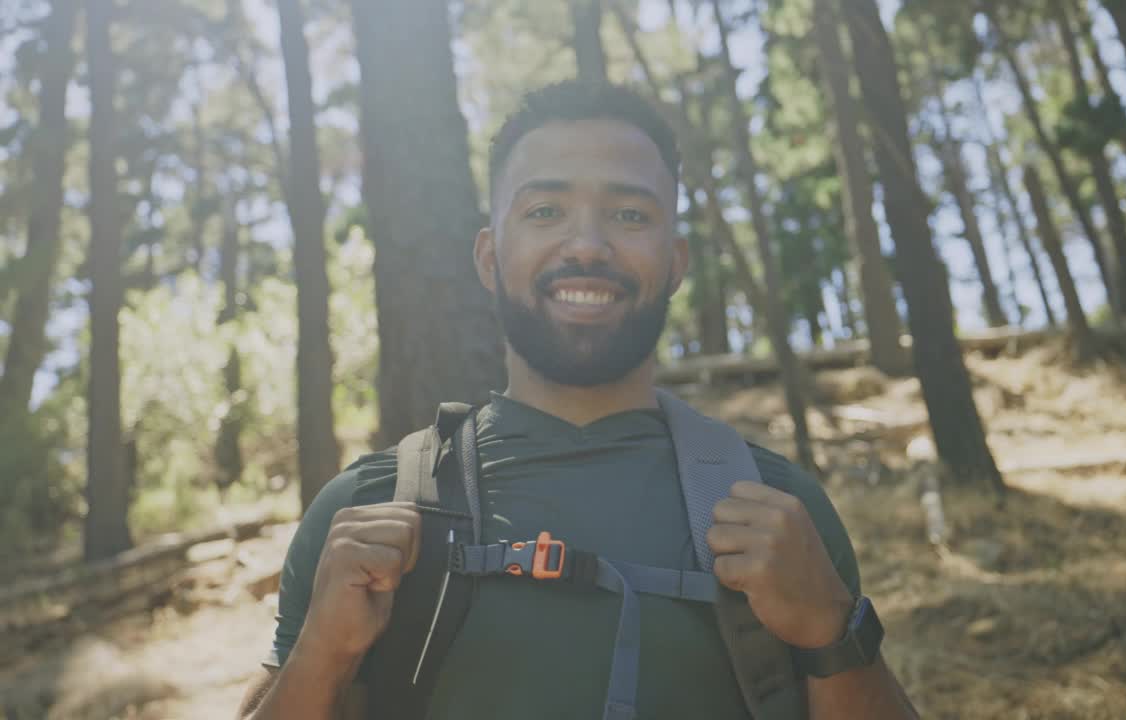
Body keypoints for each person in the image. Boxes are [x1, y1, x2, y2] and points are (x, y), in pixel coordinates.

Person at [237, 80, 918, 719]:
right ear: (489, 258)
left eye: (628, 213)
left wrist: (834, 631)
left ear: (676, 262)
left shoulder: (777, 510)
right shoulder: (365, 508)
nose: (587, 245)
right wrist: (321, 656)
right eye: (544, 211)